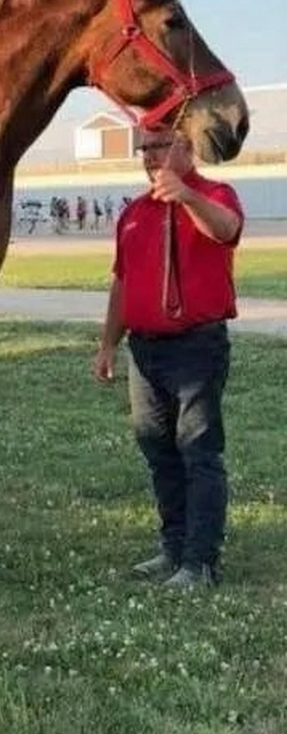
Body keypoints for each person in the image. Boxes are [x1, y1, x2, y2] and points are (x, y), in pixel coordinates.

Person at [92, 126, 243, 589]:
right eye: (145, 148)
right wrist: (108, 343)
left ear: (187, 147)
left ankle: (200, 562)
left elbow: (226, 230)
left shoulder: (214, 194)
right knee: (158, 450)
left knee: (198, 451)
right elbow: (123, 281)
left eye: (160, 145)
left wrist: (187, 198)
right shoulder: (135, 213)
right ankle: (173, 547)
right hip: (145, 349)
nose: (149, 155)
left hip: (195, 346)